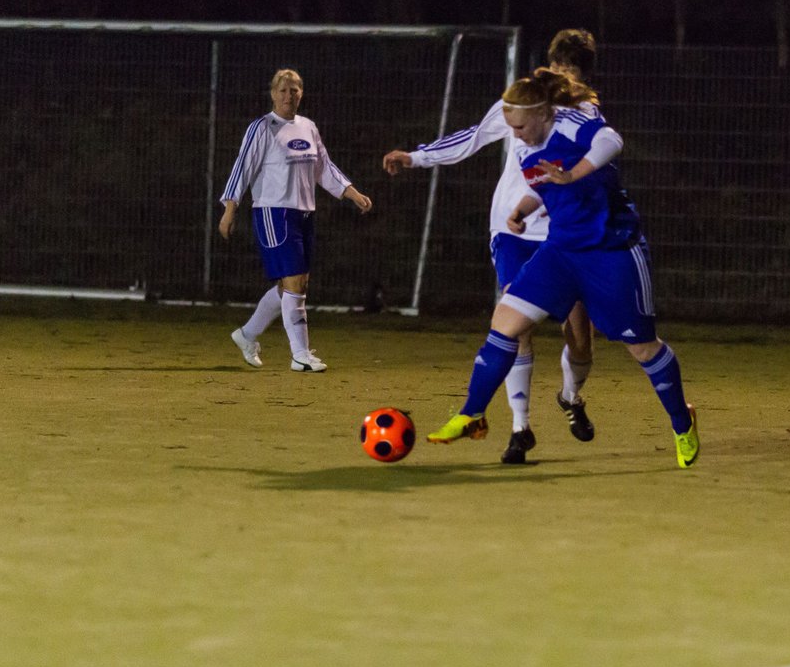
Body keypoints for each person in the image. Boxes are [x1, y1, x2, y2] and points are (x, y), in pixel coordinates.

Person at [423, 68, 700, 469]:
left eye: (519, 126)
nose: (514, 135)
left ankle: (681, 422)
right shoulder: (526, 144)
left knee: (641, 346)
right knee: (505, 322)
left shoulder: (575, 122)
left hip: (612, 249)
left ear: (541, 114)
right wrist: (524, 207)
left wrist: (572, 174)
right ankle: (471, 413)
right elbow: (545, 184)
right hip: (562, 250)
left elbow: (612, 141)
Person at [382, 29, 599, 465]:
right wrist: (417, 157)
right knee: (516, 327)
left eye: (572, 71)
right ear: (550, 64)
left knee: (579, 338)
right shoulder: (523, 102)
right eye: (559, 67)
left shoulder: (588, 112)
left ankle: (570, 396)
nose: (563, 77)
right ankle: (520, 429)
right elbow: (472, 137)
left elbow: (593, 168)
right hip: (512, 232)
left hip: (563, 233)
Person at [219, 68, 372, 373]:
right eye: (283, 90)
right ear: (272, 93)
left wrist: (352, 193)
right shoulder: (262, 128)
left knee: (295, 284)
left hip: (304, 214)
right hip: (273, 213)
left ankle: (247, 335)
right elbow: (242, 168)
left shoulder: (309, 127)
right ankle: (300, 355)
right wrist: (230, 208)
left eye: (295, 90)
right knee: (293, 284)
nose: (289, 95)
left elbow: (324, 167)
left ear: (302, 93)